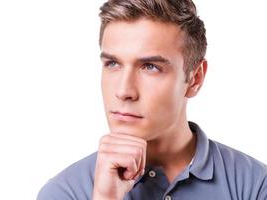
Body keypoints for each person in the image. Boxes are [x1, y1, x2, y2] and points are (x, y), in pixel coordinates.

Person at [37, 0, 267, 199]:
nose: (124, 91)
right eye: (113, 64)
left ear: (195, 78)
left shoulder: (255, 186)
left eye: (150, 67)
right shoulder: (64, 192)